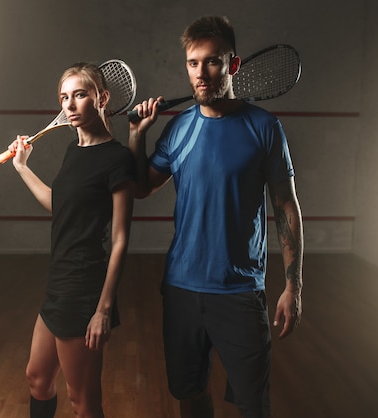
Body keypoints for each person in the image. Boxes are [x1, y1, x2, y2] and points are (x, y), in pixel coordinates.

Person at [128, 16, 303, 418]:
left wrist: (294, 285)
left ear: (232, 65)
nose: (201, 73)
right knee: (189, 395)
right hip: (181, 289)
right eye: (192, 63)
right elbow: (142, 188)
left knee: (253, 406)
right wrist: (138, 133)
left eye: (211, 62)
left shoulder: (264, 127)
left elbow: (286, 207)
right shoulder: (177, 130)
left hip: (239, 291)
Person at [7, 62, 135, 418]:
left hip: (84, 291)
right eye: (64, 97)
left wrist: (103, 310)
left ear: (102, 98)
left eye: (80, 95)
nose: (70, 105)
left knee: (83, 401)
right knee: (37, 378)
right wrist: (22, 168)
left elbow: (121, 238)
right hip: (58, 284)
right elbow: (60, 206)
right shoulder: (72, 152)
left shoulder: (117, 159)